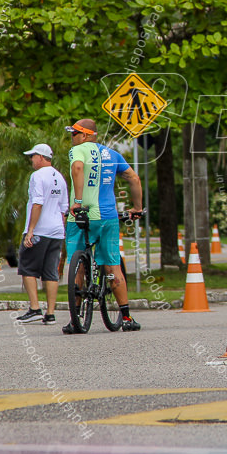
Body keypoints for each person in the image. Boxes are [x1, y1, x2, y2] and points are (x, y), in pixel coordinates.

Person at [63, 119, 144, 334]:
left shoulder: (78, 151)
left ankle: (76, 320)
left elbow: (78, 167)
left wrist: (78, 201)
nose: (72, 138)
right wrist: (137, 208)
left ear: (87, 135)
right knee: (112, 266)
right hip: (107, 217)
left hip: (80, 216)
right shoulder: (112, 154)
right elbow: (134, 178)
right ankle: (126, 317)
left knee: (77, 264)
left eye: (75, 134)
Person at [15, 144, 68, 325]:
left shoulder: (37, 176)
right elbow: (64, 209)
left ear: (41, 157)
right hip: (56, 231)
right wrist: (62, 231)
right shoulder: (59, 177)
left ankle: (35, 308)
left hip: (40, 230)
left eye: (33, 156)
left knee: (27, 267)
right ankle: (50, 313)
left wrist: (30, 231)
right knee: (50, 272)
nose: (31, 160)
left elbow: (37, 203)